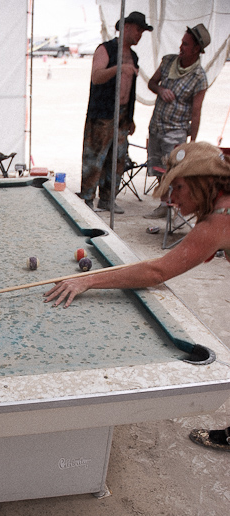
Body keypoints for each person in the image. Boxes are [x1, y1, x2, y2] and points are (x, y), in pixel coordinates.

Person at [45, 141, 230, 451]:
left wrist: (87, 281)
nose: (172, 198)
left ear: (203, 182)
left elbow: (156, 272)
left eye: (179, 187)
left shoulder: (218, 222)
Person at [78, 11, 153, 214]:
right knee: (95, 158)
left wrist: (130, 117)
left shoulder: (133, 56)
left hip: (122, 115)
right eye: (138, 30)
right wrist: (119, 68)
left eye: (142, 32)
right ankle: (86, 199)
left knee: (118, 159)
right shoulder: (106, 50)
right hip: (102, 114)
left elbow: (130, 90)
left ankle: (108, 198)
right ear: (126, 27)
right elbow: (96, 76)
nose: (140, 35)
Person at [145, 24, 210, 219]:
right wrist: (160, 90)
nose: (181, 47)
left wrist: (192, 143)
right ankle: (164, 204)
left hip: (176, 131)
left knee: (172, 170)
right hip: (157, 125)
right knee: (157, 166)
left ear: (197, 49)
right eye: (182, 43)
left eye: (186, 44)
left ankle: (172, 205)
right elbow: (152, 83)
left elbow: (196, 112)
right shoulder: (168, 61)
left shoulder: (199, 77)